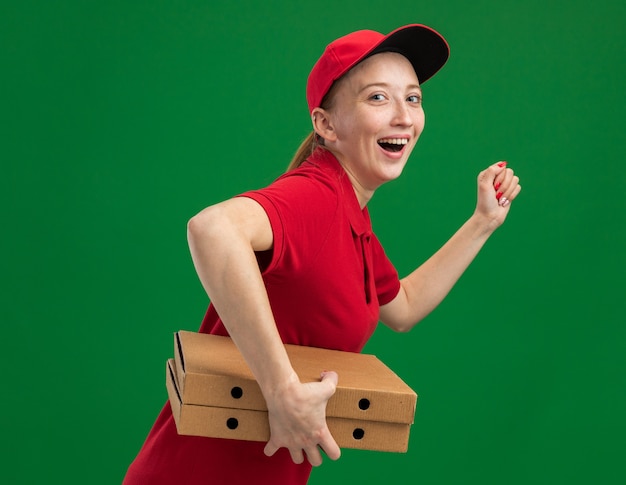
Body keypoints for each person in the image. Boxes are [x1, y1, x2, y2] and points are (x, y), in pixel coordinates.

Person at [122, 24, 521, 485]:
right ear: (326, 124)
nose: (404, 117)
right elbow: (211, 228)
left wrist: (482, 222)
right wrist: (281, 390)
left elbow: (404, 307)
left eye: (412, 98)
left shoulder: (351, 220)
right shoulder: (316, 197)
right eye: (377, 97)